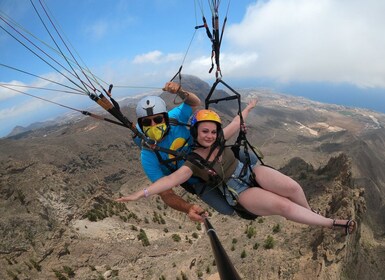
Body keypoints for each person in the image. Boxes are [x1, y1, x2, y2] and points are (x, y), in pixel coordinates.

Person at [118, 99, 356, 235]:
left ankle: (311, 214)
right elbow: (169, 182)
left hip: (250, 172)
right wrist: (142, 193)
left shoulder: (219, 139)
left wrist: (249, 108)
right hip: (238, 191)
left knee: (292, 187)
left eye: (213, 132)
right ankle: (330, 224)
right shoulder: (192, 162)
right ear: (195, 133)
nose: (210, 136)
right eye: (205, 132)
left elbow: (234, 123)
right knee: (282, 205)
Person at [134, 81, 234, 223]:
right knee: (227, 209)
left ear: (165, 117)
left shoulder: (174, 117)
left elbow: (194, 102)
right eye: (146, 122)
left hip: (211, 155)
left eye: (157, 119)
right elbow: (166, 192)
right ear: (141, 125)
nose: (153, 125)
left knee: (248, 161)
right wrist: (188, 208)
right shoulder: (148, 157)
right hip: (197, 181)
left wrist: (180, 91)